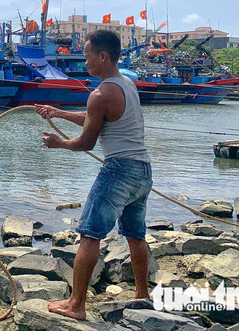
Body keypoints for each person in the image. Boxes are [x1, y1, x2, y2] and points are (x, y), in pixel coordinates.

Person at [35, 30, 152, 320]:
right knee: (135, 235)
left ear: (103, 56)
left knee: (89, 236)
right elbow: (97, 118)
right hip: (143, 171)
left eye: (87, 55)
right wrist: (59, 113)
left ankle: (76, 306)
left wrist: (58, 143)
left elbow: (86, 142)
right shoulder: (126, 84)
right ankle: (142, 295)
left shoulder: (100, 94)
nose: (84, 61)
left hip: (119, 171)